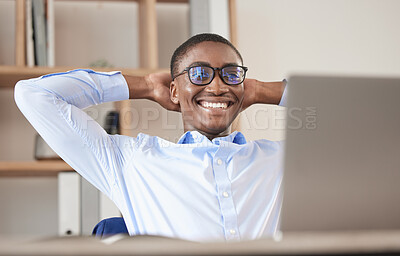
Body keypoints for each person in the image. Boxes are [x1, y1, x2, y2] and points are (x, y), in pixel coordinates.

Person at [15, 33, 286, 242]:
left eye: (231, 75)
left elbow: (329, 103)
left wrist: (263, 90)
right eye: (200, 74)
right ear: (174, 91)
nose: (216, 86)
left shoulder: (281, 160)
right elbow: (35, 95)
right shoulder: (132, 162)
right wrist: (144, 86)